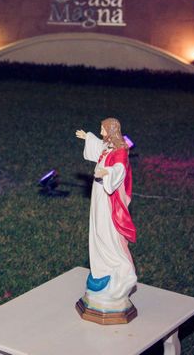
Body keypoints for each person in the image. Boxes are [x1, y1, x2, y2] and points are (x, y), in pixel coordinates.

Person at [76, 118, 137, 314]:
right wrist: (88, 137)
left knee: (106, 231)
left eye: (103, 128)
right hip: (99, 194)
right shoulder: (109, 145)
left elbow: (119, 170)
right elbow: (100, 146)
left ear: (111, 130)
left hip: (108, 199)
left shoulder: (120, 151)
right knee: (97, 229)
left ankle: (115, 268)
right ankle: (101, 269)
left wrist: (106, 172)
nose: (101, 131)